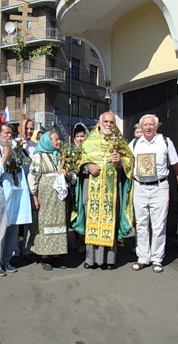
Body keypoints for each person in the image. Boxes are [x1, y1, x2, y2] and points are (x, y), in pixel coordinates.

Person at [72, 111, 134, 269]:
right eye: (106, 122)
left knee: (110, 221)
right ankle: (90, 259)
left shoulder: (118, 141)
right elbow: (78, 160)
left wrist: (120, 162)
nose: (108, 125)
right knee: (91, 221)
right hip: (91, 189)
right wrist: (87, 166)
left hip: (112, 191)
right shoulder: (89, 141)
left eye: (112, 122)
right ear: (99, 123)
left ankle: (110, 259)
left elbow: (130, 160)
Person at [130, 114, 178, 273]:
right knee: (141, 224)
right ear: (141, 127)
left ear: (156, 126)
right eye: (145, 125)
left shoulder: (165, 142)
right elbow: (127, 163)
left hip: (159, 187)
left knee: (159, 224)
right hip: (140, 187)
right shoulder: (135, 143)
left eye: (151, 125)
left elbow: (175, 164)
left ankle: (157, 259)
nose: (148, 127)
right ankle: (143, 257)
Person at [0, 123, 32, 276]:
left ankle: (7, 259)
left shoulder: (14, 151)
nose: (8, 135)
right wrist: (4, 157)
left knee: (12, 230)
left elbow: (22, 166)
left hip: (14, 192)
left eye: (10, 133)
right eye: (5, 132)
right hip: (0, 192)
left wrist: (18, 152)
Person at [27, 131, 76, 270]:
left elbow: (73, 174)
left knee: (59, 224)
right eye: (56, 139)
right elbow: (33, 177)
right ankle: (44, 257)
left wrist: (67, 174)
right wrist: (34, 196)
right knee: (45, 224)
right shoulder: (39, 156)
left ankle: (56, 256)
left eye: (60, 139)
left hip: (60, 200)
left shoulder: (62, 156)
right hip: (45, 198)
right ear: (48, 141)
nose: (59, 142)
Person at [12, 118, 37, 263]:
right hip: (17, 186)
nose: (29, 131)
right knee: (16, 220)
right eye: (26, 128)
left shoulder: (35, 146)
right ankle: (14, 249)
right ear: (20, 129)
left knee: (29, 220)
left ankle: (27, 248)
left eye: (31, 129)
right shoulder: (14, 144)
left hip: (30, 186)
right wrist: (17, 149)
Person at [71, 122, 90, 254]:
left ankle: (86, 240)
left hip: (86, 183)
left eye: (82, 136)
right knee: (75, 210)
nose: (80, 139)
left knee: (86, 209)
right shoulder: (70, 151)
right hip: (73, 185)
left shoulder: (89, 150)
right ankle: (77, 238)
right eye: (77, 136)